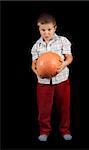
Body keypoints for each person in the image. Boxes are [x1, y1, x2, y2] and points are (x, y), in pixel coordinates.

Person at [31, 12, 73, 142]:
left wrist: (64, 64)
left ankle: (65, 130)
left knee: (64, 107)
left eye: (49, 29)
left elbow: (69, 57)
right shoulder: (36, 46)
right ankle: (44, 131)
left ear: (55, 28)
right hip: (43, 82)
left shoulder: (62, 41)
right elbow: (33, 64)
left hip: (62, 80)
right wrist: (36, 72)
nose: (46, 32)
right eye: (43, 30)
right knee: (43, 109)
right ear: (39, 29)